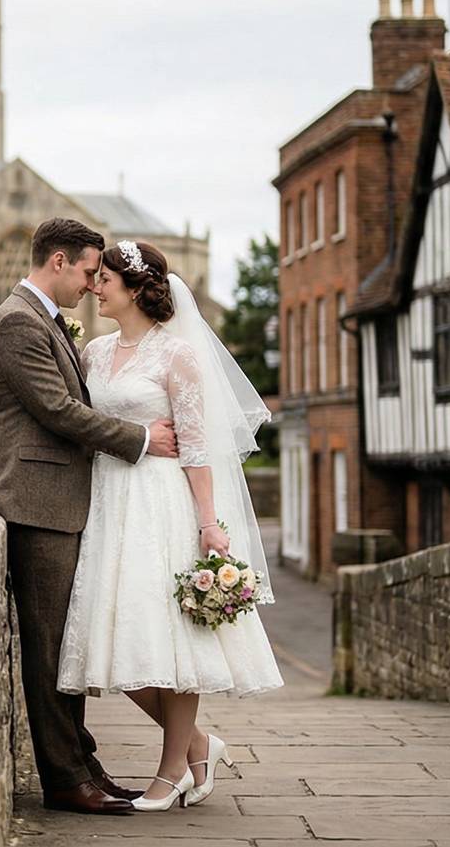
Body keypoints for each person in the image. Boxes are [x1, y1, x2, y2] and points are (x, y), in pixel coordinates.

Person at [58, 239, 282, 812]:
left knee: (171, 640)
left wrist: (209, 523)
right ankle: (199, 745)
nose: (95, 286)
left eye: (105, 278)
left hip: (161, 504)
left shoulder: (175, 355)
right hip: (108, 500)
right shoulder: (95, 353)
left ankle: (170, 771)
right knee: (116, 641)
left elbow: (198, 446)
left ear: (135, 289)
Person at [0, 218, 179, 817]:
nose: (93, 284)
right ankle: (65, 781)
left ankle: (83, 763)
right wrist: (139, 438)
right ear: (58, 262)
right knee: (50, 649)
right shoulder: (16, 321)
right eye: (90, 270)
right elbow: (58, 410)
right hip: (35, 500)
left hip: (57, 499)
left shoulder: (38, 318)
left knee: (66, 645)